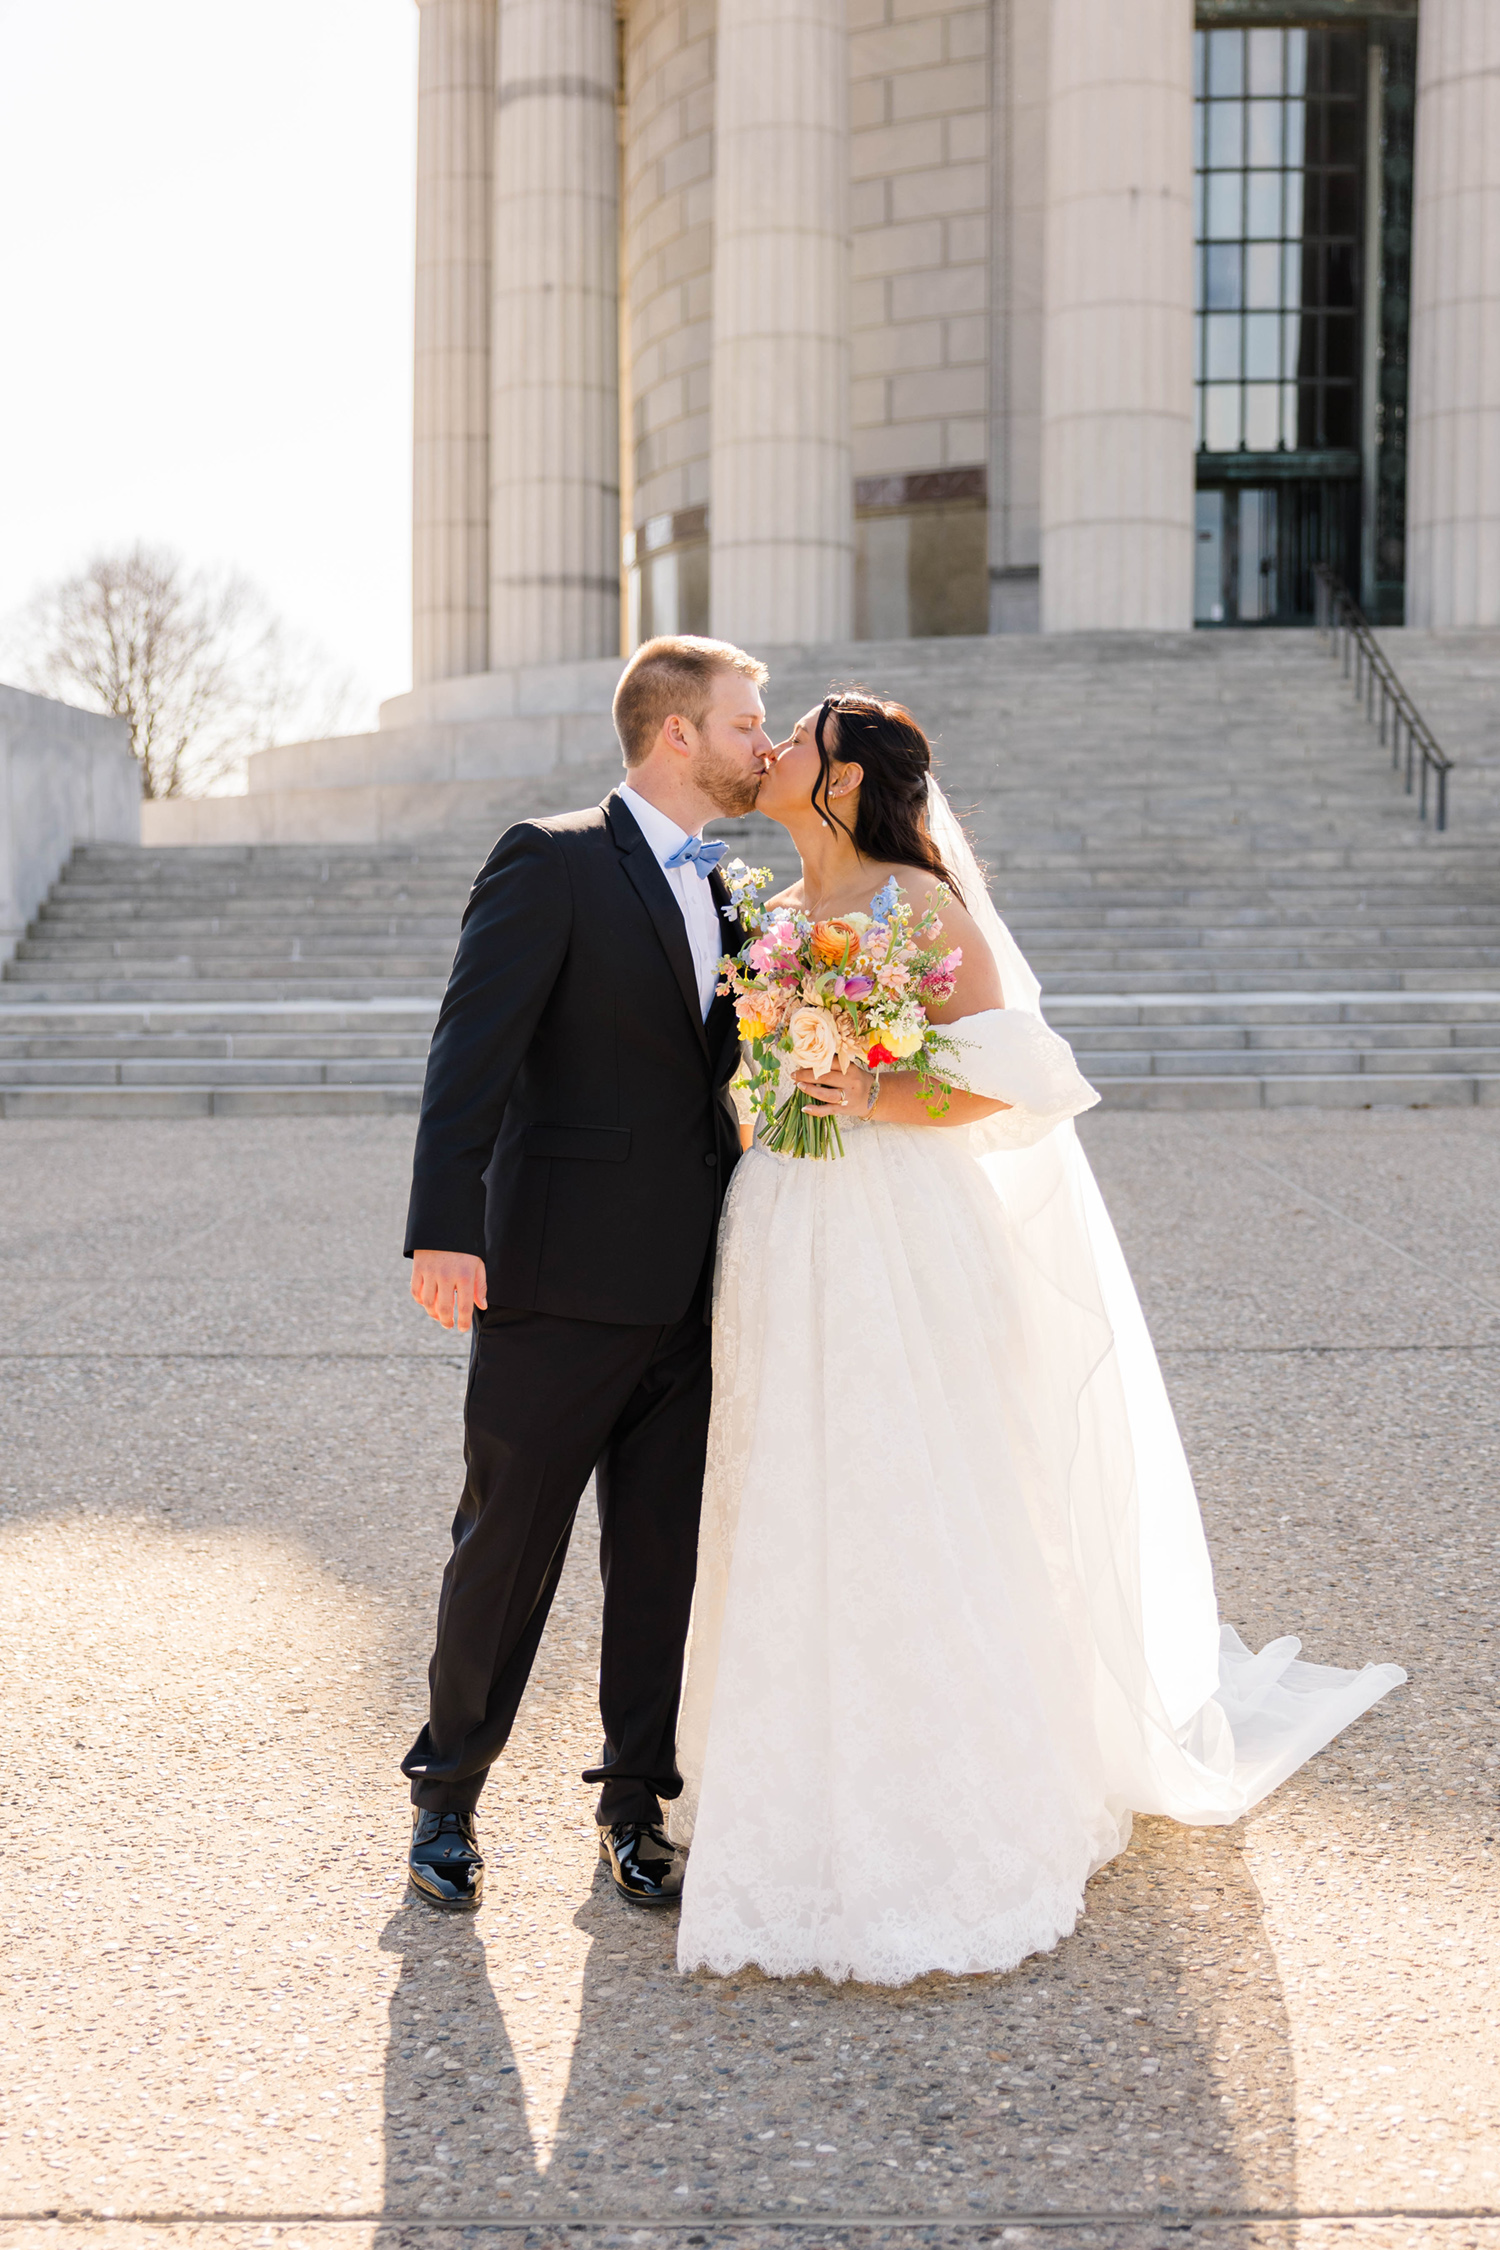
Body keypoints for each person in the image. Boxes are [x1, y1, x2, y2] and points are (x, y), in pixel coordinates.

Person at [670, 690, 1405, 1984]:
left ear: (844, 780)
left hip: (900, 1227)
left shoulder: (923, 904)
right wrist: (767, 1084)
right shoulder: (774, 916)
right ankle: (786, 1785)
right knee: (795, 1487)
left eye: (801, 738)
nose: (775, 744)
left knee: (917, 1490)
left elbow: (1019, 1077)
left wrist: (878, 1087)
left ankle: (947, 1802)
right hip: (787, 1221)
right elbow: (754, 1069)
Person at [400, 634, 773, 1912]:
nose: (760, 746)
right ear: (677, 733)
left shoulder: (734, 895)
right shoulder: (548, 861)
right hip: (555, 1282)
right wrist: (444, 1225)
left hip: (691, 1285)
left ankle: (632, 1806)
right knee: (506, 1548)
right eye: (744, 724)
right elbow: (471, 1052)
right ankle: (446, 1797)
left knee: (661, 1557)